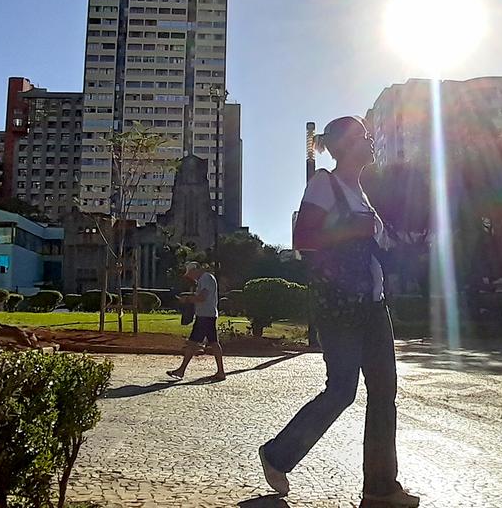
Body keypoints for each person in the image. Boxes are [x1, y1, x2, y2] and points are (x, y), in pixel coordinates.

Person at [258, 116, 419, 507]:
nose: (372, 141)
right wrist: (355, 229)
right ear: (347, 144)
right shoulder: (324, 184)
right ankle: (278, 454)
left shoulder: (360, 191)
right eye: (365, 136)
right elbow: (305, 238)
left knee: (384, 394)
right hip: (339, 306)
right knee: (342, 390)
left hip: (372, 305)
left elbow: (371, 243)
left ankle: (380, 488)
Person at [166, 262, 226, 381]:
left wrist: (187, 299)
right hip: (208, 315)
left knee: (193, 343)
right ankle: (220, 372)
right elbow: (202, 296)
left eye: (190, 274)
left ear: (195, 270)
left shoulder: (205, 278)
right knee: (213, 343)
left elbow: (202, 298)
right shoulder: (206, 279)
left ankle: (181, 370)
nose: (190, 277)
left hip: (205, 316)